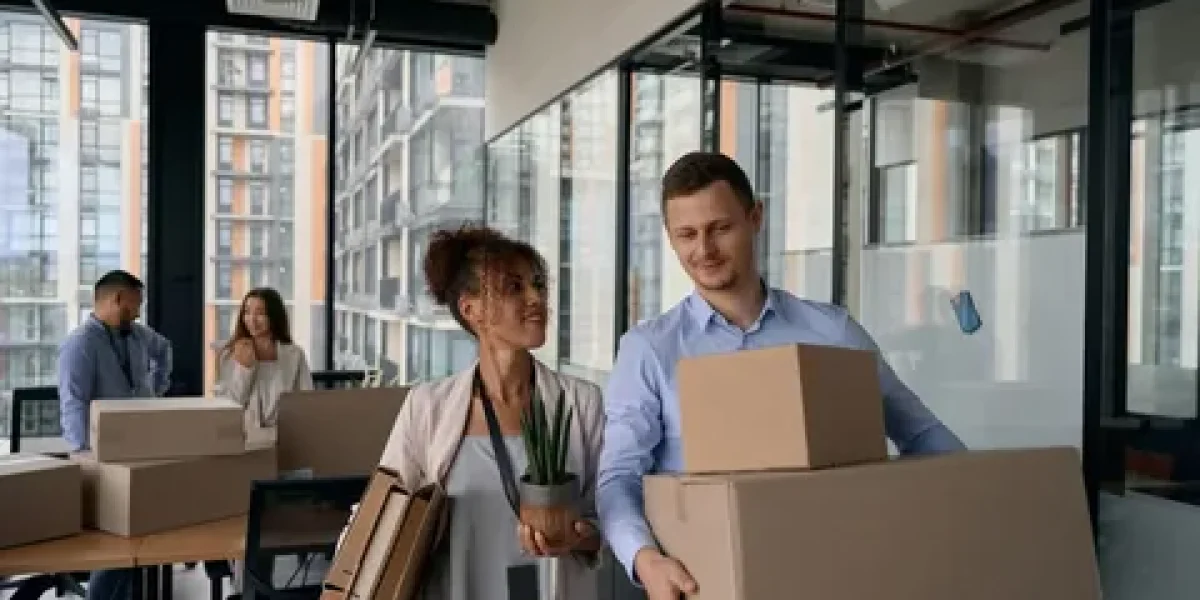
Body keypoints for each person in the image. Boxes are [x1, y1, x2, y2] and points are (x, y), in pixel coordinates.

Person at [596, 152, 967, 600]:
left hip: (832, 577)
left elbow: (922, 434)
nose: (704, 250)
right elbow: (618, 476)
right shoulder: (650, 350)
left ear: (755, 218)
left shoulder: (832, 332)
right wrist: (646, 561)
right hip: (704, 584)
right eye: (687, 235)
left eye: (720, 228)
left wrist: (978, 503)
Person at [377, 225, 605, 600]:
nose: (536, 298)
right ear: (472, 310)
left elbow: (612, 516)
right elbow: (385, 514)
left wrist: (578, 537)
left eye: (538, 284)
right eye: (514, 288)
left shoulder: (581, 403)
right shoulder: (428, 407)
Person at [58, 269, 173, 600]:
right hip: (102, 458)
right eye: (135, 305)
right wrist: (85, 457)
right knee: (112, 548)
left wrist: (156, 390)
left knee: (139, 539)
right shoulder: (80, 344)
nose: (138, 313)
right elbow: (73, 404)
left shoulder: (136, 334)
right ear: (117, 299)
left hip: (141, 449)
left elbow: (164, 350)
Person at [215, 287, 314, 435]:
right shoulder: (230, 353)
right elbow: (229, 404)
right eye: (247, 312)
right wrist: (244, 369)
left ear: (274, 316)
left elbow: (306, 400)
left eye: (260, 313)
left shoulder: (294, 354)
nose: (252, 319)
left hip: (286, 435)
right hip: (243, 436)